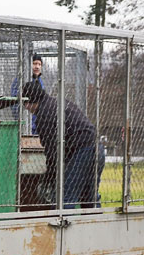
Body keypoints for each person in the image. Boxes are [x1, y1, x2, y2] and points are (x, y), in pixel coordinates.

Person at [21, 81, 102, 209]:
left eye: (25, 103)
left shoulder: (44, 114)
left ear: (29, 102)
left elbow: (52, 152)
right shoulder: (57, 102)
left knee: (64, 197)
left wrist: (49, 179)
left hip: (82, 150)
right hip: (97, 147)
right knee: (89, 197)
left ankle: (60, 227)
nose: (25, 108)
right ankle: (96, 226)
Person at [11, 53, 44, 133]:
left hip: (39, 122)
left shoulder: (40, 81)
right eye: (34, 63)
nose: (37, 67)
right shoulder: (20, 80)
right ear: (29, 65)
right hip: (25, 122)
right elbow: (14, 101)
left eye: (39, 64)